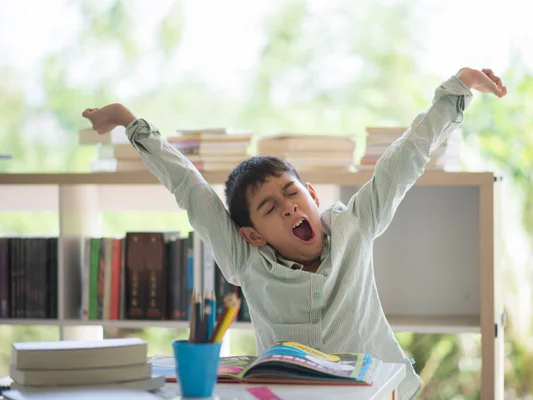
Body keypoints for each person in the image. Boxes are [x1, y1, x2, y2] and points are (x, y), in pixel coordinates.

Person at [82, 67, 506, 399]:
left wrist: (457, 89)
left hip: (381, 393)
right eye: (270, 208)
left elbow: (406, 156)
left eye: (292, 194)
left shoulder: (354, 227)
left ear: (313, 195)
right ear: (252, 234)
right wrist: (129, 122)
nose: (289, 207)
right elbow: (190, 189)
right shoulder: (246, 261)